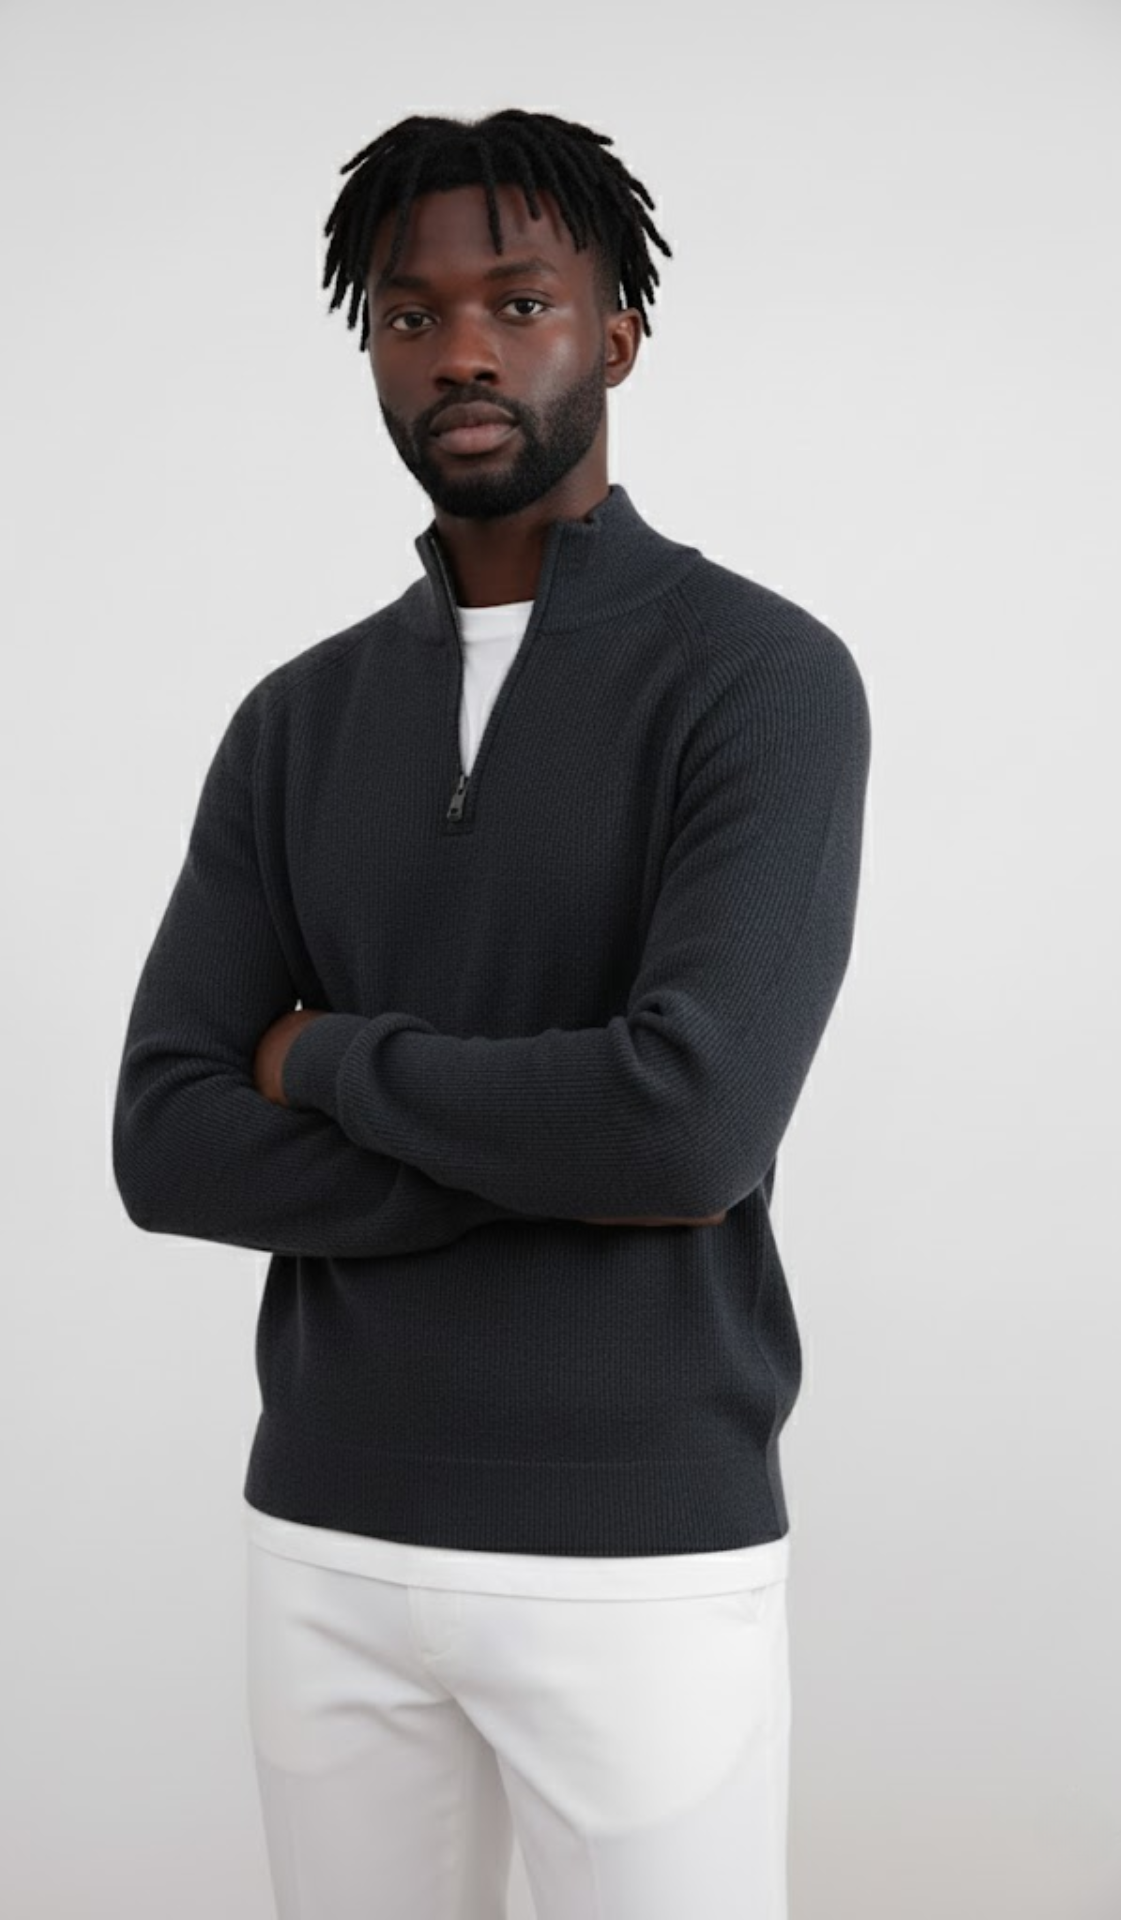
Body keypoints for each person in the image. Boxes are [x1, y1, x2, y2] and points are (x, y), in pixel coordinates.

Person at [113, 106, 871, 1920]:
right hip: (325, 1537)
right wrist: (558, 1153)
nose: (460, 349)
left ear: (617, 333)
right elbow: (165, 1142)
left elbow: (688, 1128)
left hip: (637, 1560)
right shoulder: (295, 721)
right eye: (410, 313)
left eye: (518, 302)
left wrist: (323, 1058)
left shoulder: (759, 680)